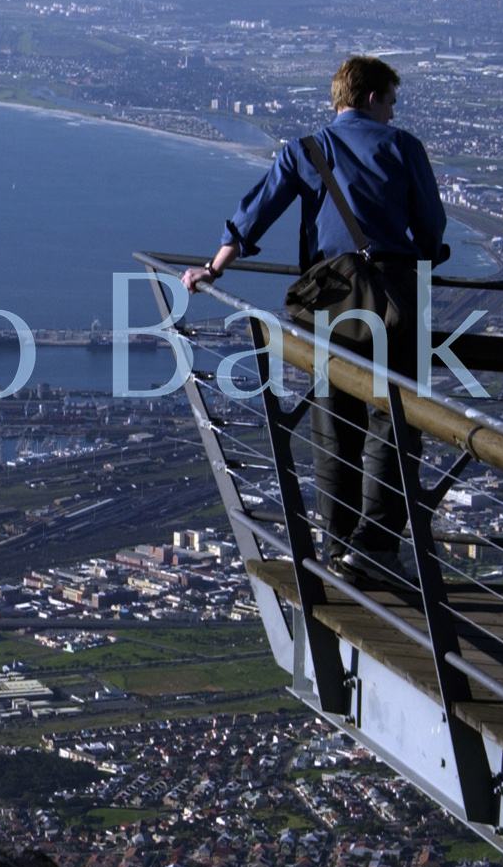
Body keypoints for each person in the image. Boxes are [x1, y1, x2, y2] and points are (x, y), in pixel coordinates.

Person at [182, 56, 448, 583]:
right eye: (391, 101)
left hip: (329, 298)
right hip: (395, 299)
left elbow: (257, 209)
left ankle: (336, 544)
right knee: (394, 422)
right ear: (371, 98)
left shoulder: (307, 150)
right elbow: (432, 227)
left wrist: (213, 268)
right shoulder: (403, 148)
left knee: (333, 422)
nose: (394, 113)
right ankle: (373, 550)